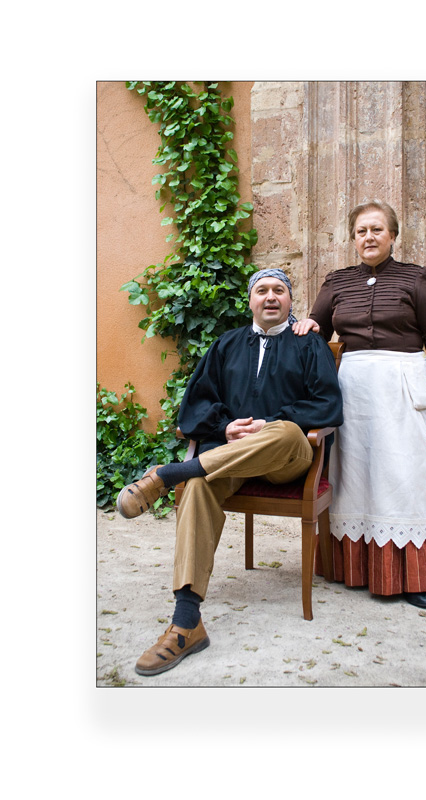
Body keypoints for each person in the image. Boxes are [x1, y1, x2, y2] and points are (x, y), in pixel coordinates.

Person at [116, 268, 343, 676]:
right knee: (198, 486)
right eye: (262, 290)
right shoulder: (227, 344)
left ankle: (169, 474)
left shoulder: (308, 343)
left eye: (279, 290)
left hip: (286, 461)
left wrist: (269, 424)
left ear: (290, 301)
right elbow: (196, 404)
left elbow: (327, 404)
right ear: (250, 301)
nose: (270, 297)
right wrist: (225, 428)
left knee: (286, 431)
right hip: (230, 459)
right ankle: (187, 623)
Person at [292, 201, 426, 610]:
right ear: (353, 239)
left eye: (377, 230)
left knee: (404, 475)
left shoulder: (417, 278)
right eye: (361, 231)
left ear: (392, 235)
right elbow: (317, 329)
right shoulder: (336, 281)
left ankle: (410, 576)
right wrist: (309, 325)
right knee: (352, 474)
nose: (368, 237)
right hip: (352, 390)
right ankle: (350, 568)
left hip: (402, 388)